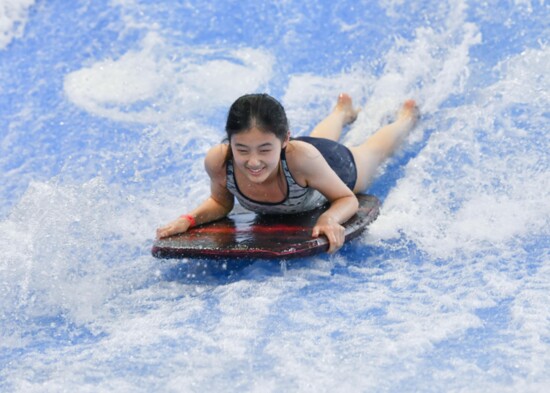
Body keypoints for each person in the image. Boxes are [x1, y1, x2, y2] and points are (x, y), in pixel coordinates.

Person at [156, 93, 418, 253]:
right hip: (302, 161)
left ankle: (405, 119)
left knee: (370, 152)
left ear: (283, 140)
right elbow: (221, 203)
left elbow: (347, 199)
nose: (253, 161)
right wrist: (189, 220)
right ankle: (341, 112)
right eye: (242, 149)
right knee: (313, 143)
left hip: (329, 165)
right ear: (230, 142)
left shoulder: (303, 158)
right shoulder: (220, 160)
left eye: (264, 149)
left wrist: (329, 219)